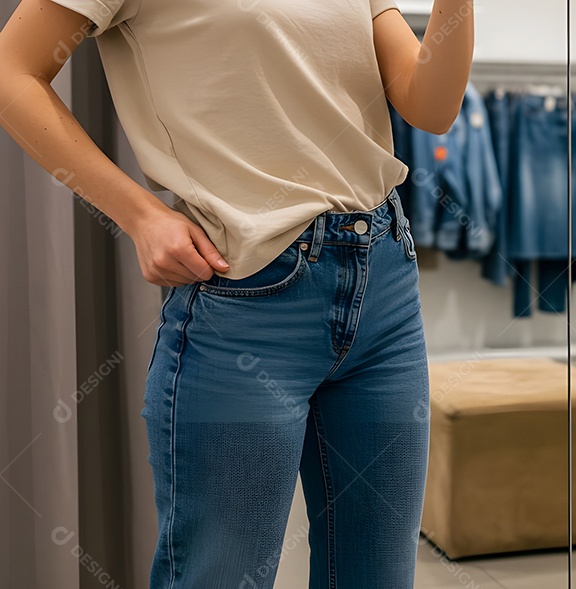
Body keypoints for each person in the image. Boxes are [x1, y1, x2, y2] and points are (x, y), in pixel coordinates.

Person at [0, 0, 473, 586]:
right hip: (247, 298)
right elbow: (11, 70)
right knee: (217, 575)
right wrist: (142, 216)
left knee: (377, 575)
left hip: (385, 288)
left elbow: (431, 105)